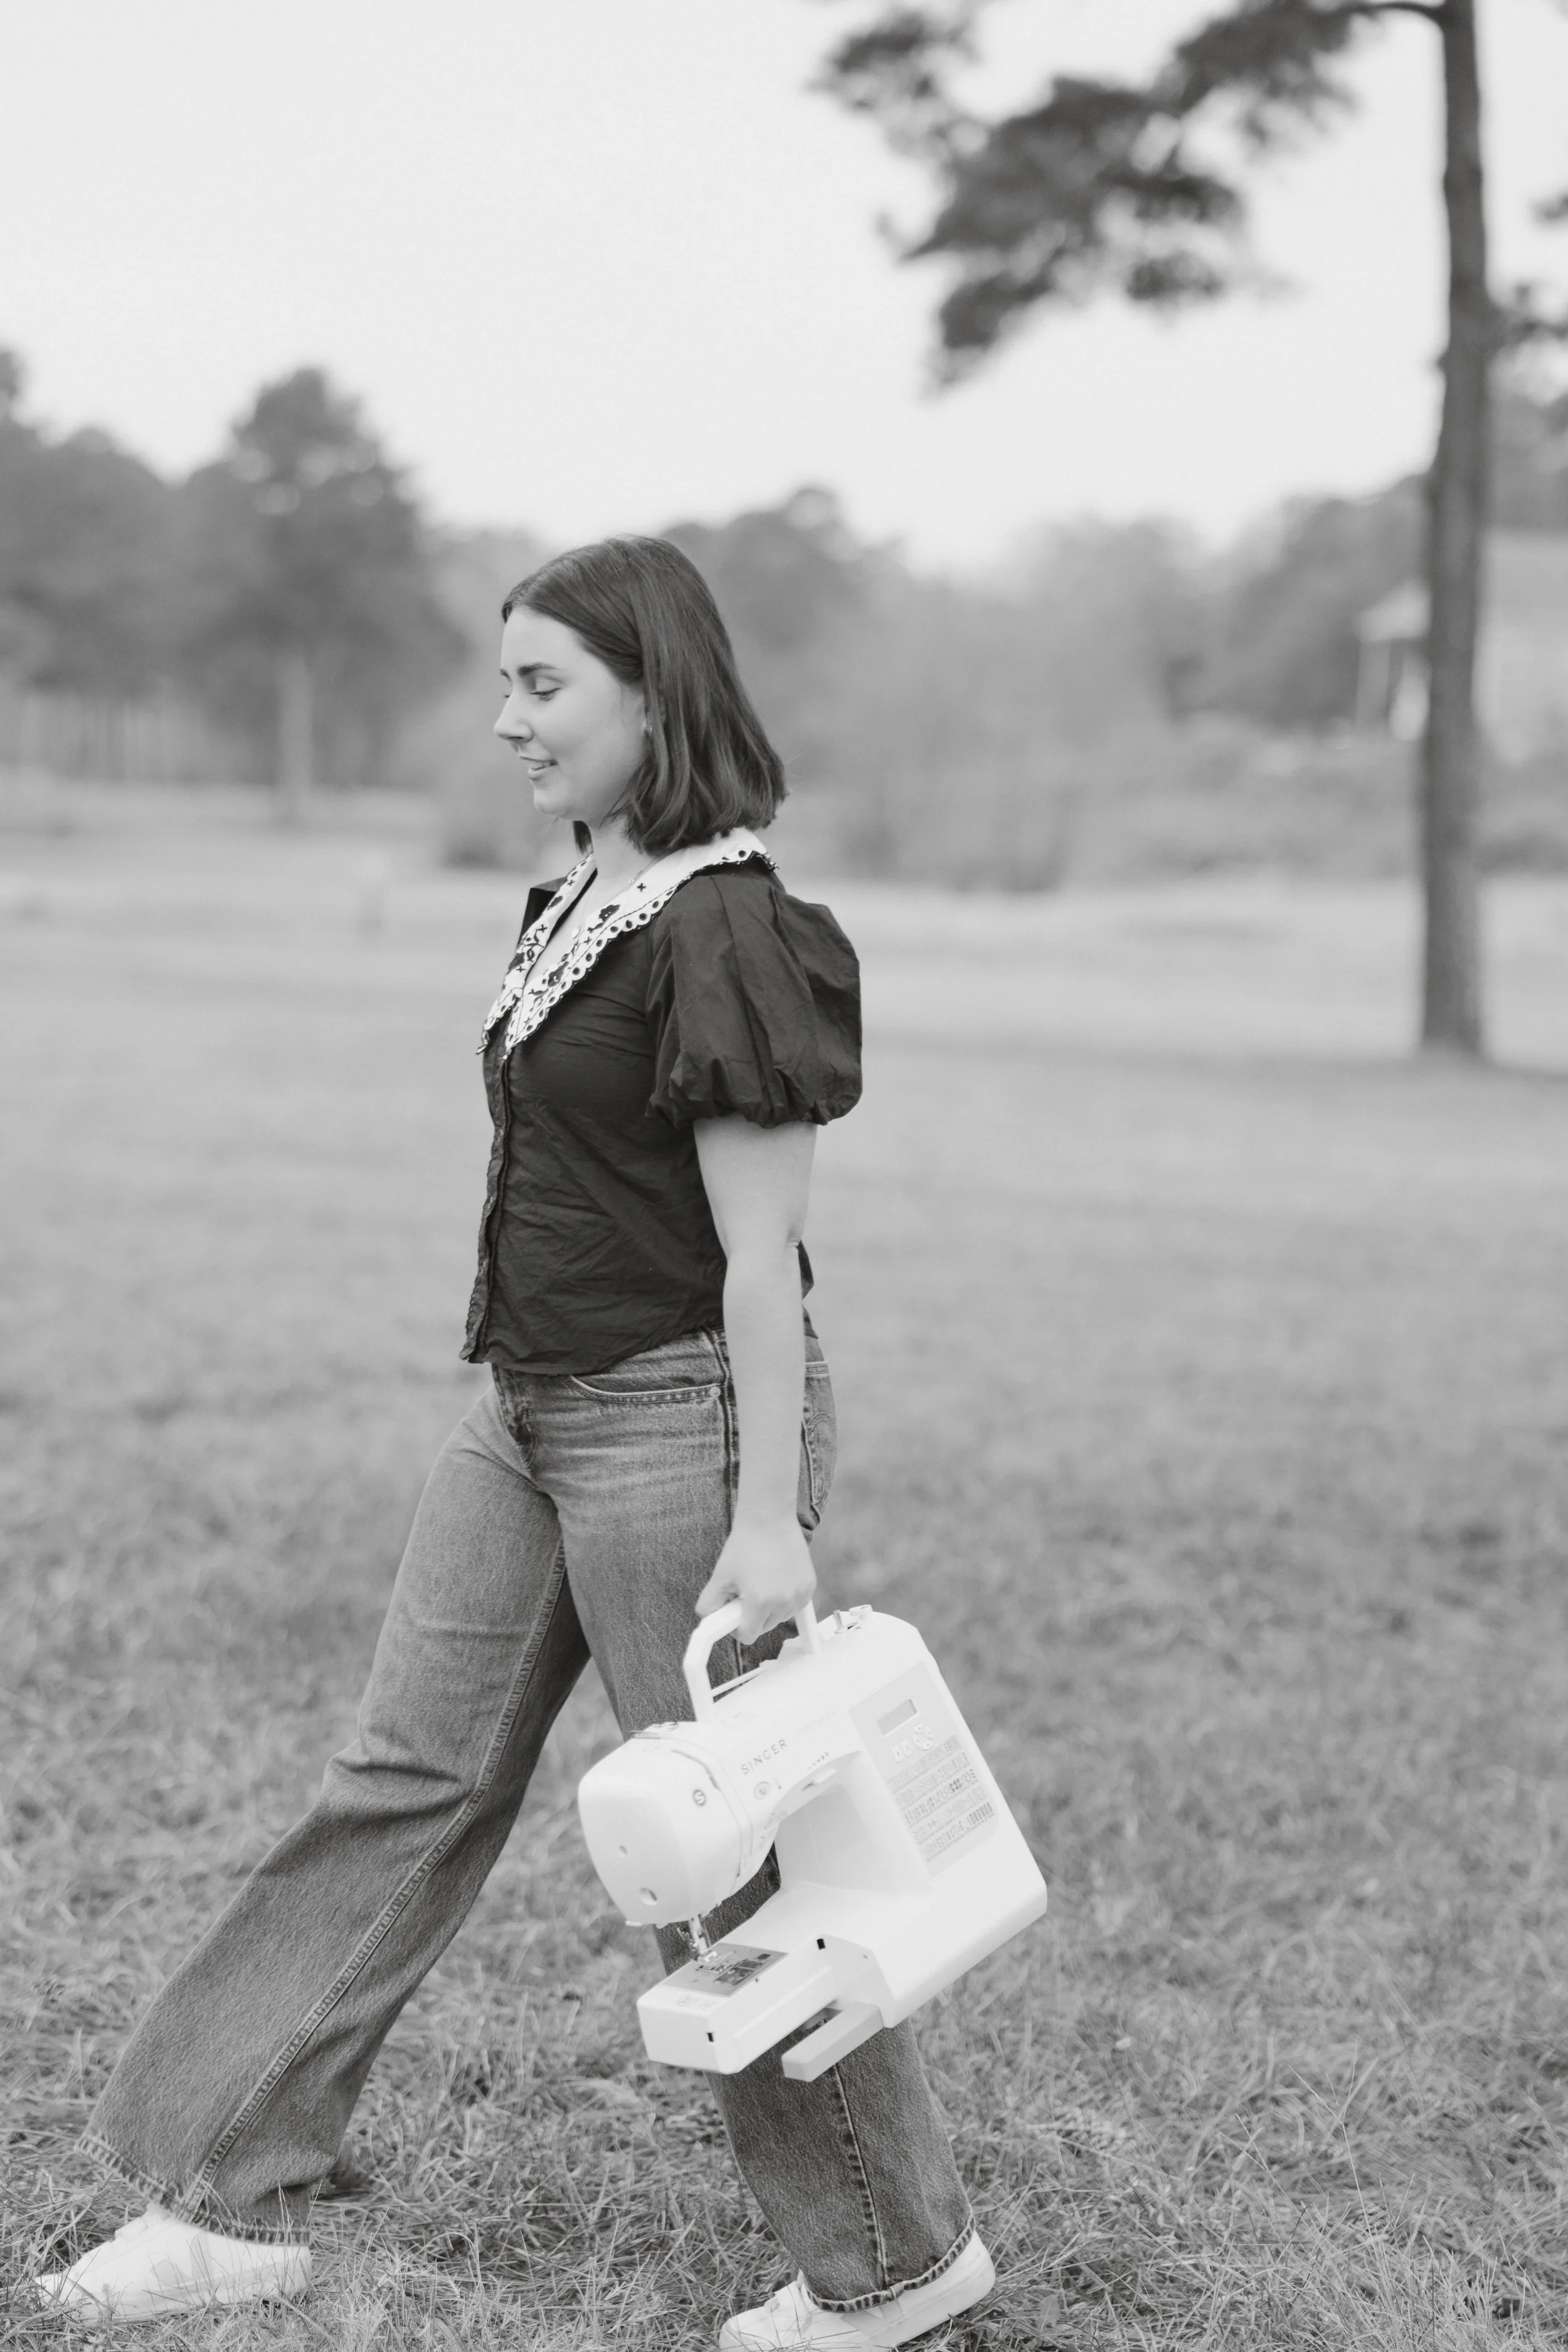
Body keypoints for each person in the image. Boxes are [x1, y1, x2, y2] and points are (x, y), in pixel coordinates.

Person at [38, 538, 994, 2349]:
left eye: (543, 684)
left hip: (673, 1420)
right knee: (402, 1775)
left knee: (715, 1850)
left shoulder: (726, 924)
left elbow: (756, 1261)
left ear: (656, 692)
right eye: (503, 682)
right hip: (522, 1409)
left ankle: (891, 2258)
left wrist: (770, 1519)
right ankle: (224, 2184)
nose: (507, 720)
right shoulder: (582, 897)